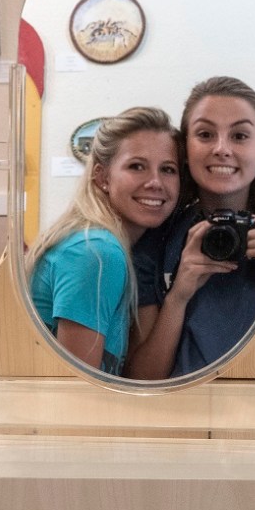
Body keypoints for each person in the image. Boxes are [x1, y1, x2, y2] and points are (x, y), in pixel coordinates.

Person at [126, 76, 255, 379]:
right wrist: (178, 296)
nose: (221, 149)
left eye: (240, 136)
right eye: (205, 134)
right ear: (185, 150)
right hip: (180, 405)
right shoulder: (154, 242)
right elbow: (144, 380)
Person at [27, 107, 182, 375]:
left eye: (168, 169)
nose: (155, 182)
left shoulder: (101, 243)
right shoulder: (96, 252)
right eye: (137, 166)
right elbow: (80, 387)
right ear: (102, 177)